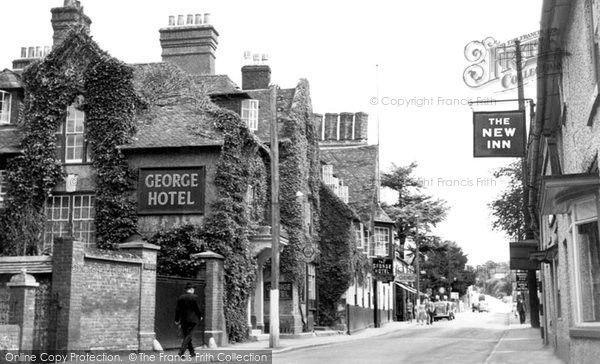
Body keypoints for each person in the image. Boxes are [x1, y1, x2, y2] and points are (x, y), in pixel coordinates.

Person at [175, 283, 203, 357]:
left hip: (183, 320)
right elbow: (197, 308)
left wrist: (176, 319)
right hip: (193, 320)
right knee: (188, 335)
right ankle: (181, 352)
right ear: (191, 289)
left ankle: (192, 353)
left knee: (187, 336)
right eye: (193, 289)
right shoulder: (194, 297)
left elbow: (178, 310)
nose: (194, 291)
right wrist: (200, 316)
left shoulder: (181, 297)